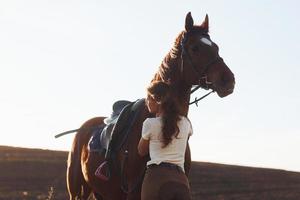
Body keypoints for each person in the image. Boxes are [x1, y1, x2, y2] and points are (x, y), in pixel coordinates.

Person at [138, 81, 193, 200]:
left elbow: (141, 151)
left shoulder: (150, 123)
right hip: (181, 181)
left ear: (157, 100)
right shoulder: (186, 123)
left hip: (157, 178)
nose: (146, 102)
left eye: (148, 98)